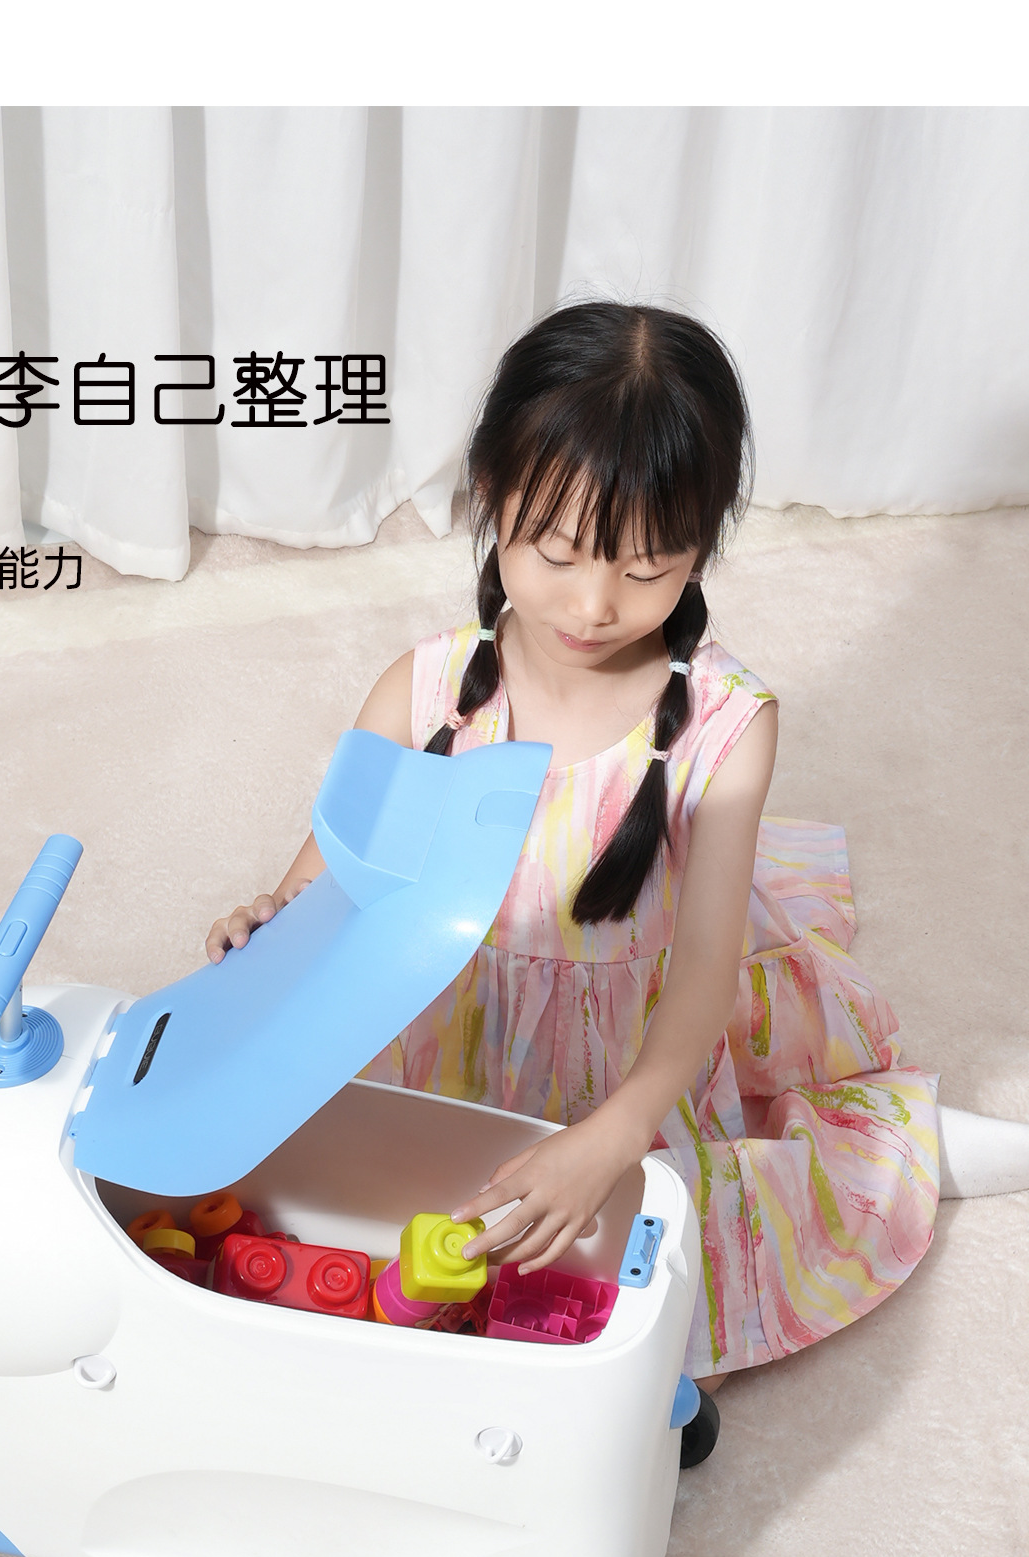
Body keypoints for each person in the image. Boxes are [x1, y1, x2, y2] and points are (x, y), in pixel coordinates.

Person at [205, 301, 1029, 1390]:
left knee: (659, 1312)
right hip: (441, 1023)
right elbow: (333, 879)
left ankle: (915, 1148)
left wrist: (613, 1133)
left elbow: (703, 975)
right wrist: (267, 921)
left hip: (630, 1050)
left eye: (647, 569)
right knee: (337, 1236)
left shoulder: (727, 724)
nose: (593, 605)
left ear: (703, 546)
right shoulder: (424, 687)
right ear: (491, 497)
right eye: (556, 553)